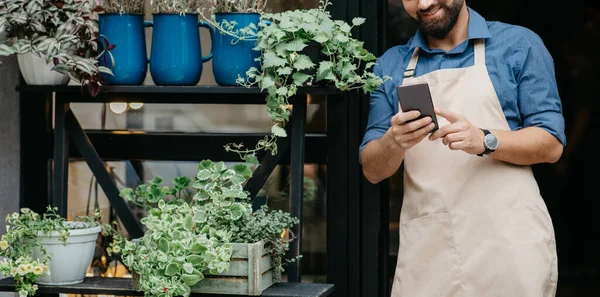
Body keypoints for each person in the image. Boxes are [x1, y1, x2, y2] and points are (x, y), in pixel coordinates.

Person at [359, 0, 566, 296]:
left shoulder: (519, 45)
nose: (424, 3)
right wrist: (394, 141)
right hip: (430, 251)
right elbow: (372, 169)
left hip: (509, 247)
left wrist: (484, 139)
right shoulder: (390, 65)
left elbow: (551, 144)